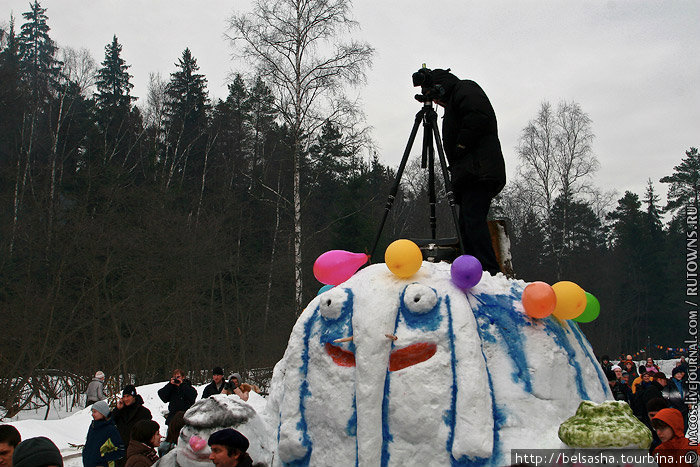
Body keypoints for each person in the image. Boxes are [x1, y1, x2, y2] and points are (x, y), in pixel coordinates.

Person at [425, 68, 506, 275]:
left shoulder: (465, 88)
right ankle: (474, 269)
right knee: (467, 225)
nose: (438, 103)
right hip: (472, 173)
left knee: (472, 222)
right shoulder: (455, 99)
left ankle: (488, 271)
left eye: (438, 97)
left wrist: (460, 145)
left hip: (479, 171)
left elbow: (478, 116)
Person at [111, 384, 153, 466]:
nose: (126, 399)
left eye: (128, 396)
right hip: (121, 450)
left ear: (134, 396)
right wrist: (117, 409)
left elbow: (147, 432)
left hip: (136, 451)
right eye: (124, 396)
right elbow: (111, 423)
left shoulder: (143, 412)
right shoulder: (120, 411)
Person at [83, 400, 126, 467]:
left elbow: (121, 450)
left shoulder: (111, 429)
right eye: (92, 412)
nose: (92, 414)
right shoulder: (93, 426)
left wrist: (103, 458)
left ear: (102, 413)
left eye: (95, 412)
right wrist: (85, 453)